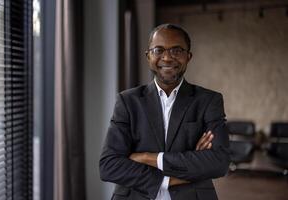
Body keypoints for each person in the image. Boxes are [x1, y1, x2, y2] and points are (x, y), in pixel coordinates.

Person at [99, 23, 230, 200]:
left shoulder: (209, 101)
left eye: (177, 50)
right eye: (158, 50)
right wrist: (173, 177)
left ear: (188, 56)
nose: (167, 58)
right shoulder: (128, 101)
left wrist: (148, 157)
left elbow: (219, 163)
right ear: (148, 56)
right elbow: (109, 166)